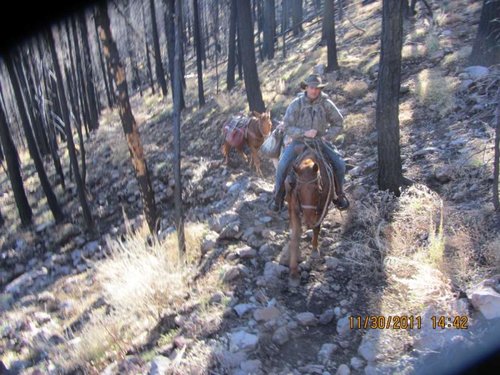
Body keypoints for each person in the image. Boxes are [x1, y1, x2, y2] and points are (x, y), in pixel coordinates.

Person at [270, 73, 349, 212]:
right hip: (299, 142)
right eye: (312, 87)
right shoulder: (296, 104)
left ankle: (339, 195)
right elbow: (287, 126)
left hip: (320, 142)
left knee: (340, 165)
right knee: (282, 164)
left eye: (318, 88)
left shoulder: (326, 104)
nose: (315, 91)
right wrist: (303, 133)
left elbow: (339, 122)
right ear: (306, 88)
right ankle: (278, 197)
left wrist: (328, 136)